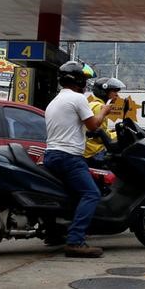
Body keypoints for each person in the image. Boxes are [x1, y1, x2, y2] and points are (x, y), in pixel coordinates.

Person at [43, 61, 113, 258]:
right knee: (91, 194)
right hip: (69, 157)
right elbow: (93, 126)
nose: (86, 83)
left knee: (68, 196)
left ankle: (55, 233)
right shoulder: (77, 99)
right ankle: (75, 241)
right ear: (79, 80)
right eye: (85, 79)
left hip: (51, 155)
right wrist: (104, 111)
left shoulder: (54, 101)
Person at [84, 77, 125, 168]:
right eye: (114, 91)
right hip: (95, 153)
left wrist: (112, 131)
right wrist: (117, 135)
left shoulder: (92, 104)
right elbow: (99, 137)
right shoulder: (100, 107)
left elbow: (100, 130)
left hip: (88, 151)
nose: (117, 95)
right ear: (104, 92)